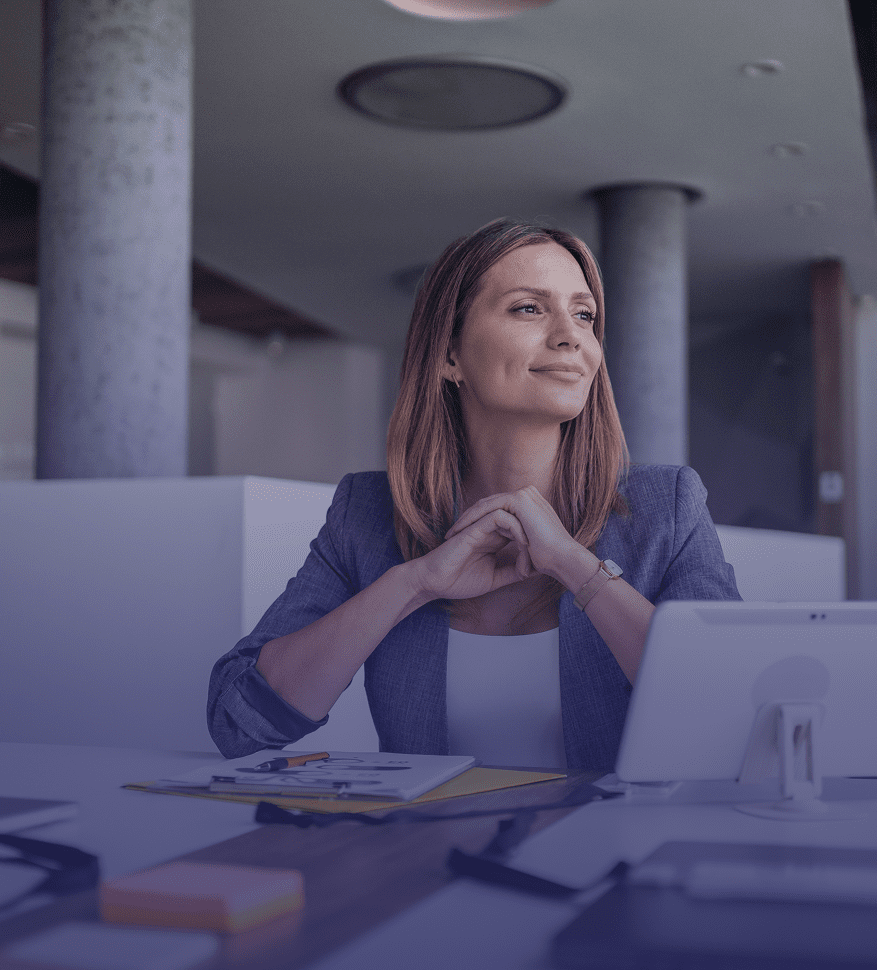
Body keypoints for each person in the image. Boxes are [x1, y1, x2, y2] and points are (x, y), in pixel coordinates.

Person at [208, 218, 740, 771]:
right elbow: (238, 722)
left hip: (613, 853)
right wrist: (414, 584)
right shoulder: (365, 515)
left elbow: (736, 712)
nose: (571, 335)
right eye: (529, 308)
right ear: (449, 354)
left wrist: (579, 570)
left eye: (584, 314)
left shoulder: (667, 507)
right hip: (431, 854)